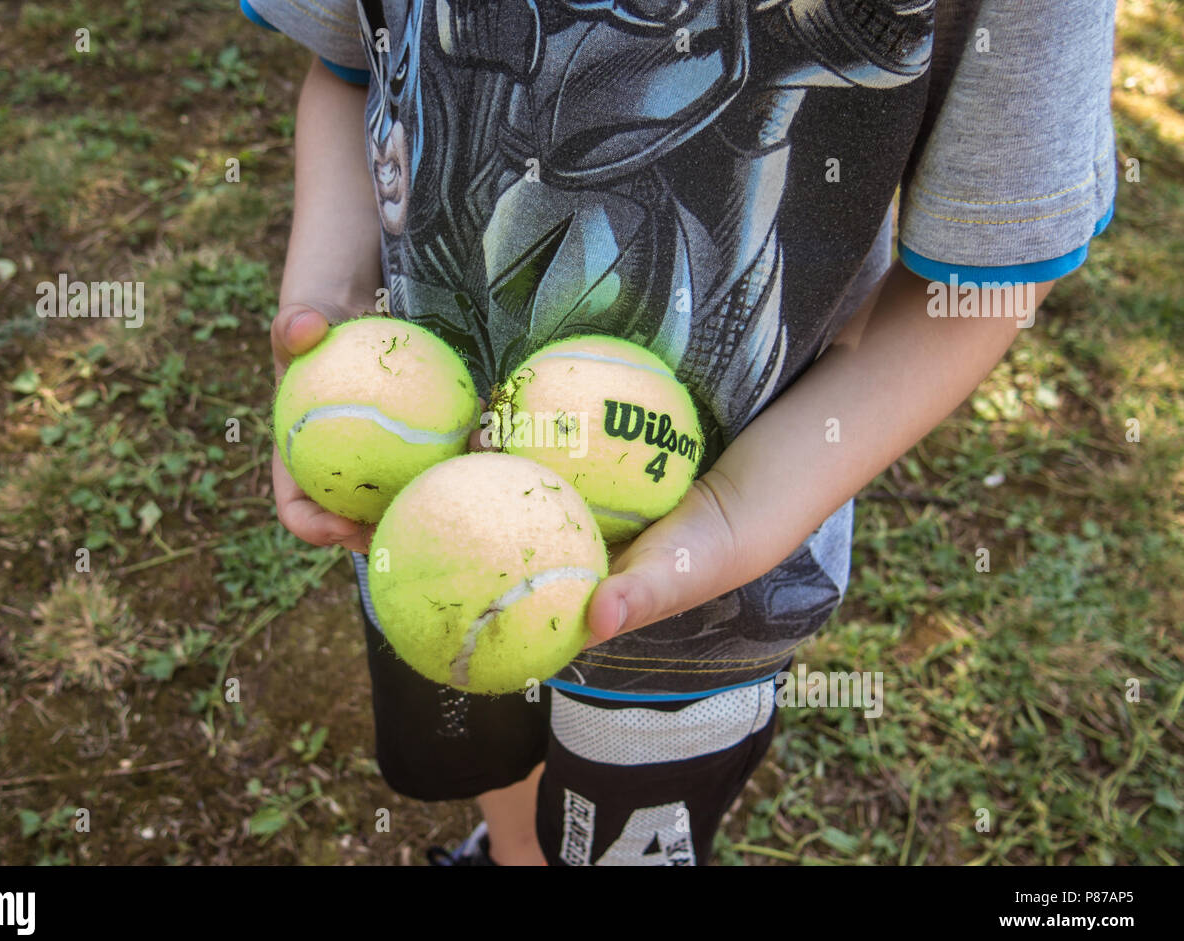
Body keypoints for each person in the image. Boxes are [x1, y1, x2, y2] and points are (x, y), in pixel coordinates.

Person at [246, 0, 1117, 865]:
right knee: (485, 725)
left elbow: (981, 276)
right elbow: (350, 64)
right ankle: (511, 851)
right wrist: (326, 295)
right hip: (422, 530)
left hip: (711, 606)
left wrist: (739, 514)